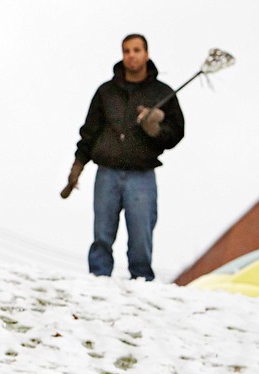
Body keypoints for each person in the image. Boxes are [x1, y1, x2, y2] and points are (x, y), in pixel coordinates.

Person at [61, 33, 185, 281]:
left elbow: (176, 133)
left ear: (146, 54)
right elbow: (90, 131)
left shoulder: (163, 93)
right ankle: (98, 281)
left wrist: (156, 131)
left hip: (142, 175)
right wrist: (78, 165)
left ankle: (142, 283)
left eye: (137, 50)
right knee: (102, 235)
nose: (131, 55)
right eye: (127, 51)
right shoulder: (106, 92)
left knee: (141, 236)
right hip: (107, 171)